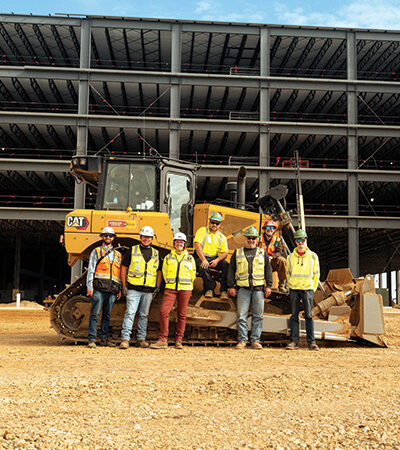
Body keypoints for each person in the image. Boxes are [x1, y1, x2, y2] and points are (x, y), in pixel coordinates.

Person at [228, 226, 273, 349]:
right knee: (241, 316)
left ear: (257, 239)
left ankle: (255, 340)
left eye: (253, 238)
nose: (251, 240)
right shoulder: (237, 253)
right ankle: (242, 340)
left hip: (259, 289)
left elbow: (268, 270)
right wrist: (231, 286)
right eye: (249, 238)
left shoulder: (262, 253)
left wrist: (269, 285)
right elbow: (231, 270)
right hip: (243, 289)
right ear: (245, 238)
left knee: (258, 316)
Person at [150, 232, 196, 350]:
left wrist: (186, 285)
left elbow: (193, 275)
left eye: (181, 242)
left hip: (185, 289)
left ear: (184, 244)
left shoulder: (190, 258)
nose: (179, 244)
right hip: (170, 289)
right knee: (164, 312)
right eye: (177, 242)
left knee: (181, 315)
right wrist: (171, 284)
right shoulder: (168, 258)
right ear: (174, 243)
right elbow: (164, 273)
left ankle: (179, 340)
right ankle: (163, 340)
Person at [119, 226, 162, 349]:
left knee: (144, 315)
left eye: (148, 237)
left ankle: (141, 339)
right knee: (130, 313)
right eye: (144, 237)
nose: (146, 239)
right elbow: (124, 268)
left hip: (148, 290)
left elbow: (159, 271)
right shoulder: (133, 250)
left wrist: (157, 287)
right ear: (140, 237)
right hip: (133, 289)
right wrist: (124, 286)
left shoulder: (156, 253)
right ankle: (125, 339)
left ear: (152, 238)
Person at [87, 226, 122, 349]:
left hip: (112, 290)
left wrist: (120, 289)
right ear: (102, 237)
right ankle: (91, 339)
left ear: (113, 238)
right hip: (99, 288)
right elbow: (91, 270)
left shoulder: (118, 254)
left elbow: (118, 274)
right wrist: (89, 286)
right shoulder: (96, 251)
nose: (108, 237)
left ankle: (104, 339)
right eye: (106, 235)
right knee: (95, 314)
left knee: (107, 315)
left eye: (110, 236)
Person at [286, 229, 320, 351]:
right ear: (295, 242)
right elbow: (288, 273)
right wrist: (291, 285)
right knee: (294, 315)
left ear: (306, 241)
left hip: (307, 289)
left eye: (303, 240)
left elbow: (316, 274)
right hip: (294, 289)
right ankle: (294, 341)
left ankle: (312, 342)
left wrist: (312, 288)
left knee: (309, 316)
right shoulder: (290, 257)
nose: (301, 243)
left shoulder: (313, 256)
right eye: (298, 240)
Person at [194, 212, 229, 300]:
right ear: (209, 222)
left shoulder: (222, 237)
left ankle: (223, 290)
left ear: (220, 225)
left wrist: (216, 261)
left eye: (217, 223)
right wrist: (203, 260)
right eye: (213, 222)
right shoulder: (202, 231)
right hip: (200, 256)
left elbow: (225, 252)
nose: (214, 225)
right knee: (203, 265)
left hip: (213, 257)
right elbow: (197, 245)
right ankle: (209, 289)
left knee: (226, 265)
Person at [260, 219, 288, 292]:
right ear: (264, 229)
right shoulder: (258, 239)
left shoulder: (277, 240)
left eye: (272, 228)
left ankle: (281, 285)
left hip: (272, 262)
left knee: (282, 260)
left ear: (274, 230)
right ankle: (258, 285)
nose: (270, 230)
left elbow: (279, 252)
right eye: (267, 228)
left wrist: (272, 257)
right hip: (260, 263)